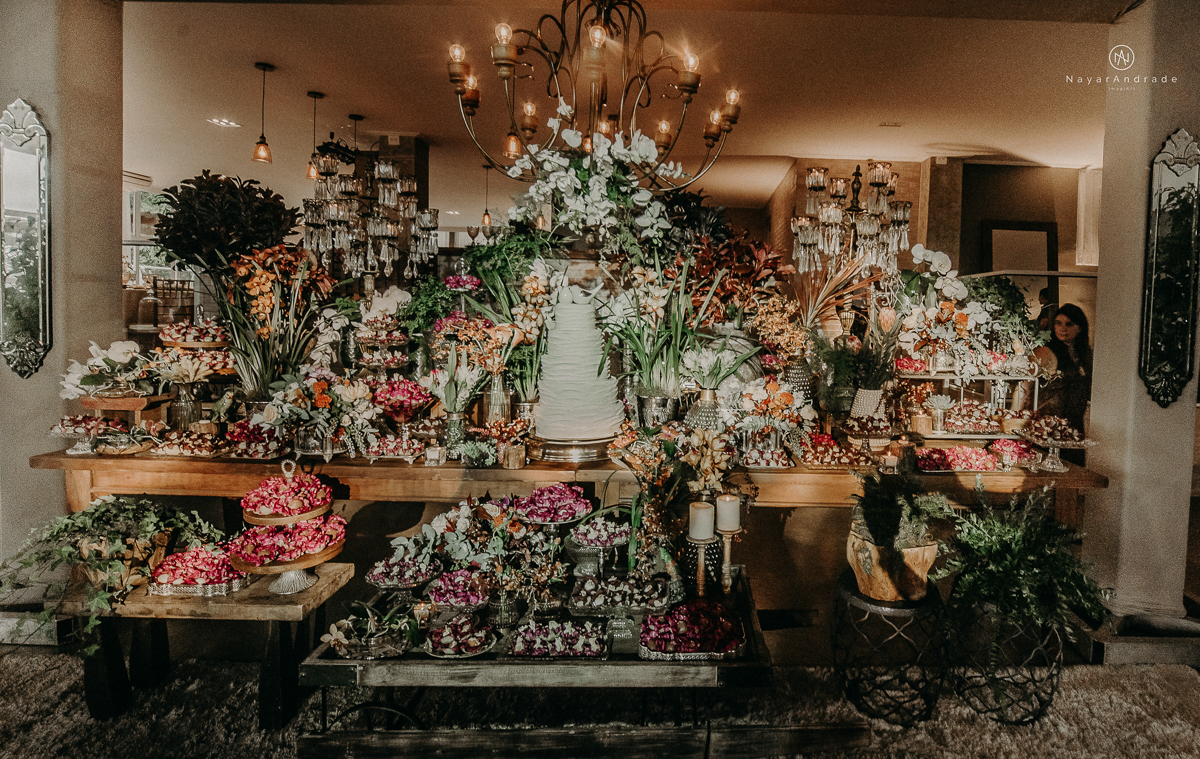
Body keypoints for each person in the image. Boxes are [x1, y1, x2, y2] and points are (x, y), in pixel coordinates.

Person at [1034, 303, 1092, 436]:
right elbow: (1025, 385)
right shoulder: (1046, 351)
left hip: (1074, 423)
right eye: (1058, 323)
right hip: (1049, 425)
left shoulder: (1084, 353)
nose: (1062, 328)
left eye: (1069, 324)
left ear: (1080, 327)